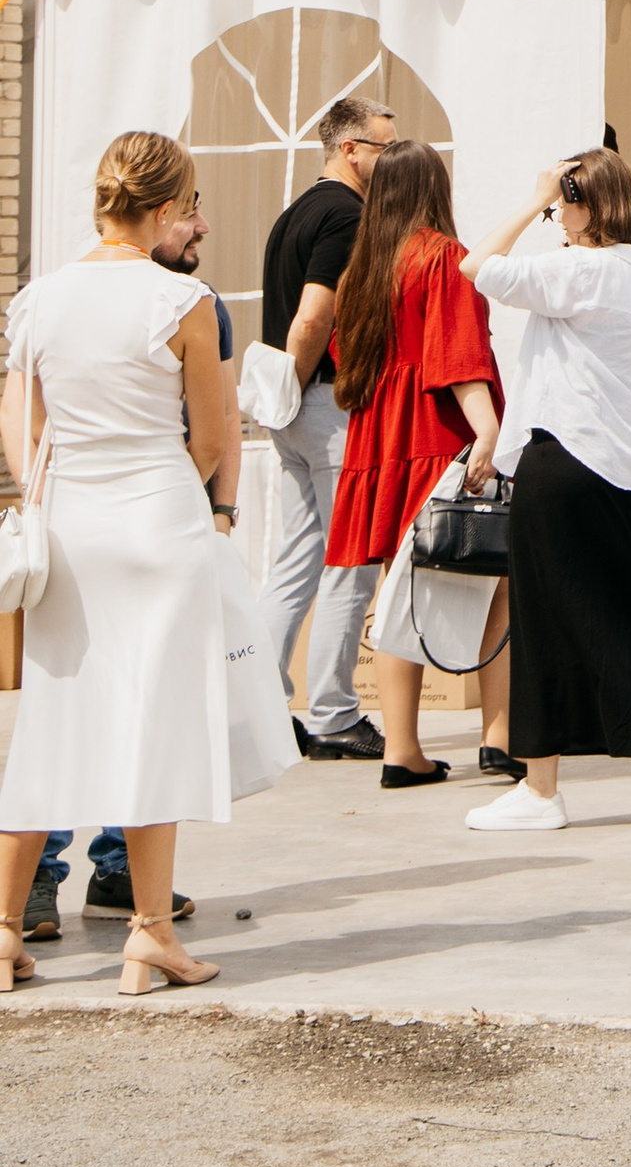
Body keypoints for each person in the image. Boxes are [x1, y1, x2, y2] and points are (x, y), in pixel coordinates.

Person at [2, 132, 241, 996]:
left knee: (52, 722)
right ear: (169, 207)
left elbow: (21, 430)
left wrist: (54, 499)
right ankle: (148, 934)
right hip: (158, 522)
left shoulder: (39, 300)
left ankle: (1, 932)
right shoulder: (183, 301)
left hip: (70, 527)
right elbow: (212, 439)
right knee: (157, 724)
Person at [461, 153, 631, 829]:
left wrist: (530, 201)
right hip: (622, 463)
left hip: (561, 455)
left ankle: (540, 790)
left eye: (564, 205)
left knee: (542, 625)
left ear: (585, 207)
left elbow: (478, 267)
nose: (556, 216)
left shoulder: (576, 269)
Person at [326, 138, 505, 788]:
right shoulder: (441, 257)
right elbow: (457, 354)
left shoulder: (364, 267)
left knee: (396, 590)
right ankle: (499, 736)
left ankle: (400, 748)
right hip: (437, 432)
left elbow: (348, 360)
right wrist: (487, 430)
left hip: (380, 436)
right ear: (435, 187)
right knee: (494, 581)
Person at [257, 94, 396, 764]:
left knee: (294, 560)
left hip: (296, 410)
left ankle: (256, 700)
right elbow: (314, 317)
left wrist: (285, 393)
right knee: (351, 562)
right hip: (323, 405)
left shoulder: (298, 210)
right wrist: (298, 382)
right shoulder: (346, 215)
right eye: (384, 149)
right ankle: (337, 714)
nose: (392, 162)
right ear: (351, 150)